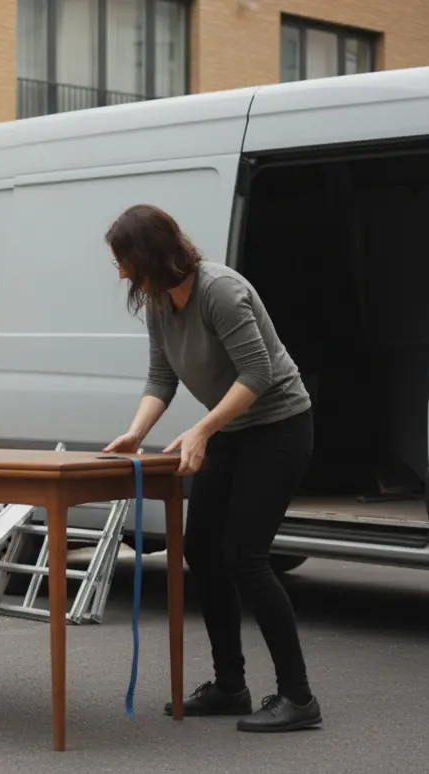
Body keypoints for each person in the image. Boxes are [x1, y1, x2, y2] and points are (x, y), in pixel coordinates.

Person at [101, 203, 322, 733]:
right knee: (200, 549)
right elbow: (161, 376)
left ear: (149, 254)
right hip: (231, 430)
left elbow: (259, 372)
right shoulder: (157, 300)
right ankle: (230, 687)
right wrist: (136, 433)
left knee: (246, 556)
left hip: (279, 427)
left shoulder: (219, 290)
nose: (121, 271)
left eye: (124, 259)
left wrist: (202, 428)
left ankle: (299, 697)